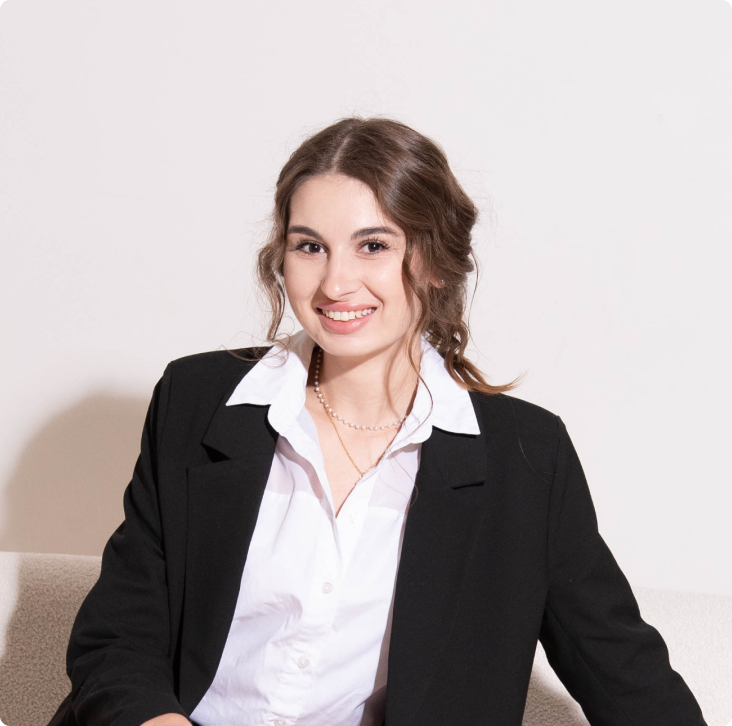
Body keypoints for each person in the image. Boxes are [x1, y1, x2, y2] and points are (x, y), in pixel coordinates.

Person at [49, 118, 706, 726]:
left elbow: (625, 676)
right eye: (310, 246)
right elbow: (119, 635)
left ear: (435, 261)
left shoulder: (525, 458)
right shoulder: (198, 400)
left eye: (373, 245)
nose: (336, 283)